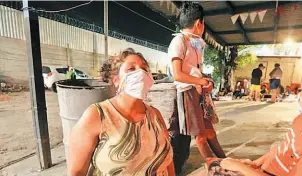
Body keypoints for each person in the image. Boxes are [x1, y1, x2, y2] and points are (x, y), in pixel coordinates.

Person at [210, 53, 302, 176]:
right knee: (213, 165)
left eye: (301, 91)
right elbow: (284, 148)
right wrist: (254, 164)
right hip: (261, 171)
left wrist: (242, 169)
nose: (299, 95)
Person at [67, 48, 175, 176]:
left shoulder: (155, 115)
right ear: (116, 80)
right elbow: (77, 172)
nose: (140, 73)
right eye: (131, 69)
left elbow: (168, 161)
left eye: (145, 69)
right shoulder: (97, 115)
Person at [168, 2, 226, 175]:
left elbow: (193, 70)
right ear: (198, 23)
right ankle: (215, 169)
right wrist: (201, 82)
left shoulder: (195, 42)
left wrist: (205, 80)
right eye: (203, 24)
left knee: (209, 131)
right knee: (200, 135)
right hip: (187, 93)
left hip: (198, 92)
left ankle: (226, 161)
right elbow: (177, 74)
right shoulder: (179, 41)